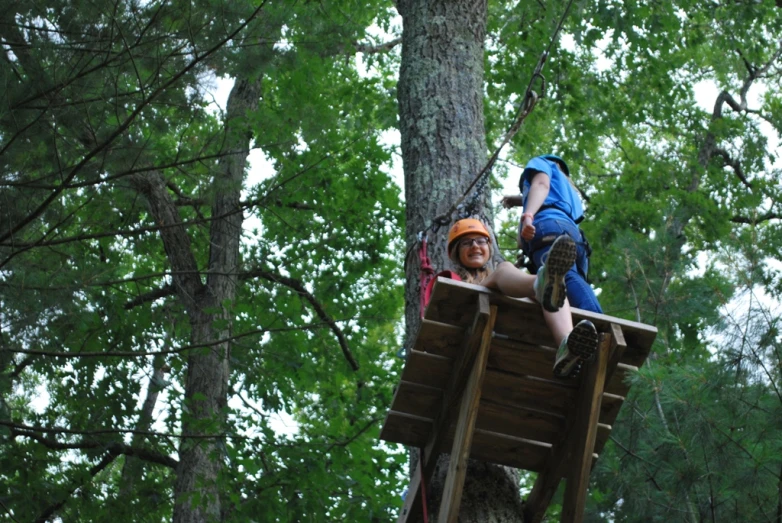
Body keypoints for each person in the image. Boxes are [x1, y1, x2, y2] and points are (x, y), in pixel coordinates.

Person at [444, 217, 598, 378]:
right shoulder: (451, 278)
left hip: (514, 346)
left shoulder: (511, 284)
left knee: (555, 291)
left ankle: (566, 344)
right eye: (466, 243)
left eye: (481, 241)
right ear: (456, 252)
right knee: (505, 269)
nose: (475, 246)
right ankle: (541, 282)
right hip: (476, 342)